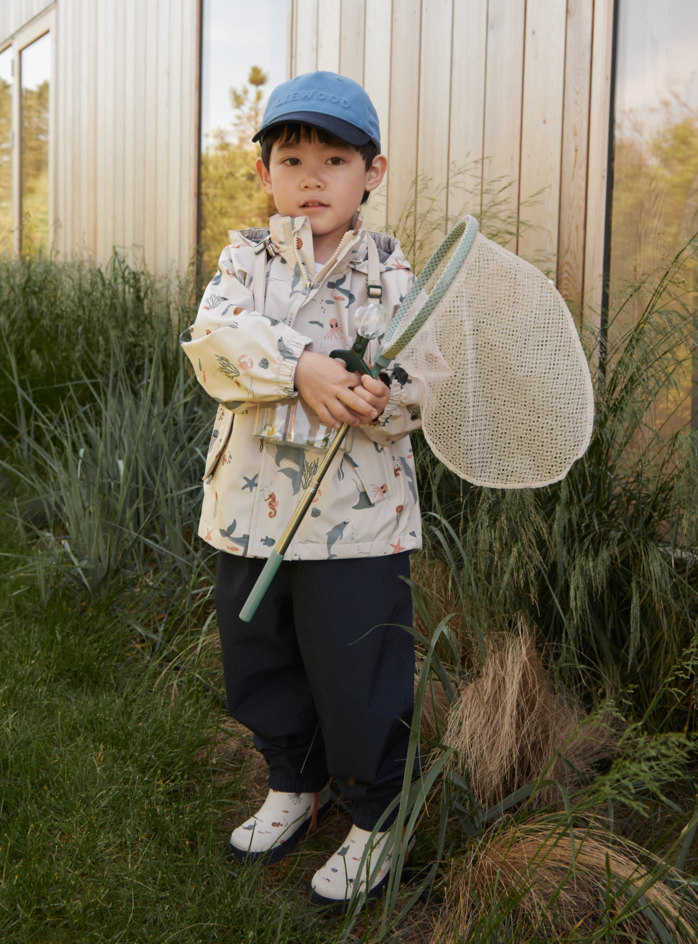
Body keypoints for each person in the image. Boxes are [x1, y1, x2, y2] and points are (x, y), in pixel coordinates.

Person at [180, 70, 423, 911]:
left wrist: (385, 397)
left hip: (359, 523)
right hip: (251, 511)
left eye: (334, 158)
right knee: (262, 653)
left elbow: (426, 380)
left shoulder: (392, 274)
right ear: (265, 174)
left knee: (359, 666)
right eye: (291, 158)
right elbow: (214, 346)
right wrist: (301, 369)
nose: (311, 176)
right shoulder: (244, 260)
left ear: (373, 173)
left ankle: (378, 813)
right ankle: (294, 779)